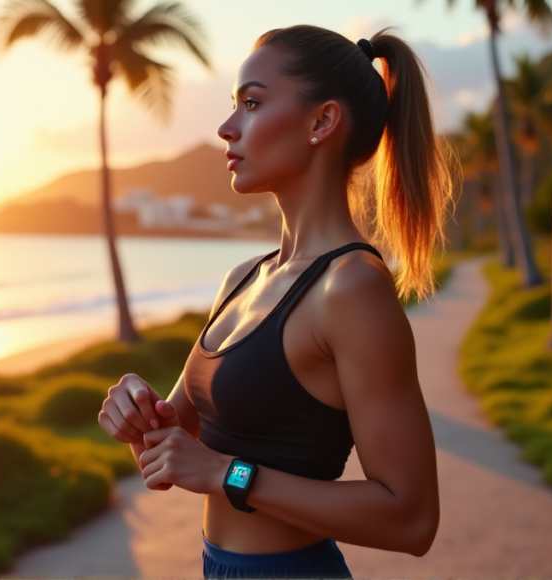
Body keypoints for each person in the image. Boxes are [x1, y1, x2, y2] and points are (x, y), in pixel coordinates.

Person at [97, 24, 451, 579]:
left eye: (252, 103)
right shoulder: (244, 279)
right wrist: (137, 417)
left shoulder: (352, 288)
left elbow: (410, 519)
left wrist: (227, 474)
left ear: (321, 121)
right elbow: (169, 456)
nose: (226, 127)